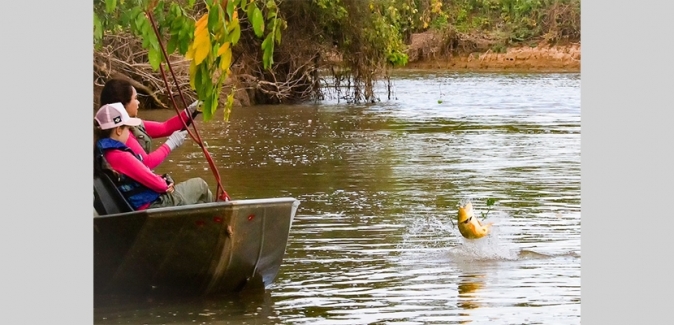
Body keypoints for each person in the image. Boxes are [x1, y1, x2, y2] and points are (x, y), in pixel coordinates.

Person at [94, 103, 214, 210]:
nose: (129, 132)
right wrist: (165, 183)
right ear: (118, 130)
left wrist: (188, 112)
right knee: (200, 185)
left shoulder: (104, 154)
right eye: (127, 128)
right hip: (153, 206)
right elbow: (160, 185)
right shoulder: (120, 156)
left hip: (140, 205)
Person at [99, 77, 202, 169]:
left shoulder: (130, 125)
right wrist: (171, 144)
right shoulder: (122, 134)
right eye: (135, 99)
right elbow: (147, 163)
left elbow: (165, 128)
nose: (138, 102)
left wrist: (189, 112)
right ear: (123, 104)